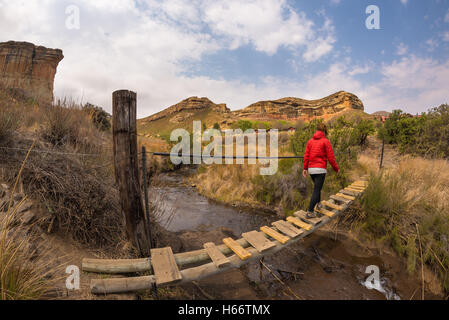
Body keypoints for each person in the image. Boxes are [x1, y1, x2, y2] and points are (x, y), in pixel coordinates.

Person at [302, 123, 339, 218]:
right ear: (324, 131)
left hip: (311, 169)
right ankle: (310, 211)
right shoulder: (325, 141)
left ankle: (318, 204)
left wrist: (305, 168)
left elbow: (306, 156)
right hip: (320, 169)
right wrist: (336, 168)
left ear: (317, 130)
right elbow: (331, 157)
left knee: (317, 188)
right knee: (317, 190)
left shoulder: (310, 141)